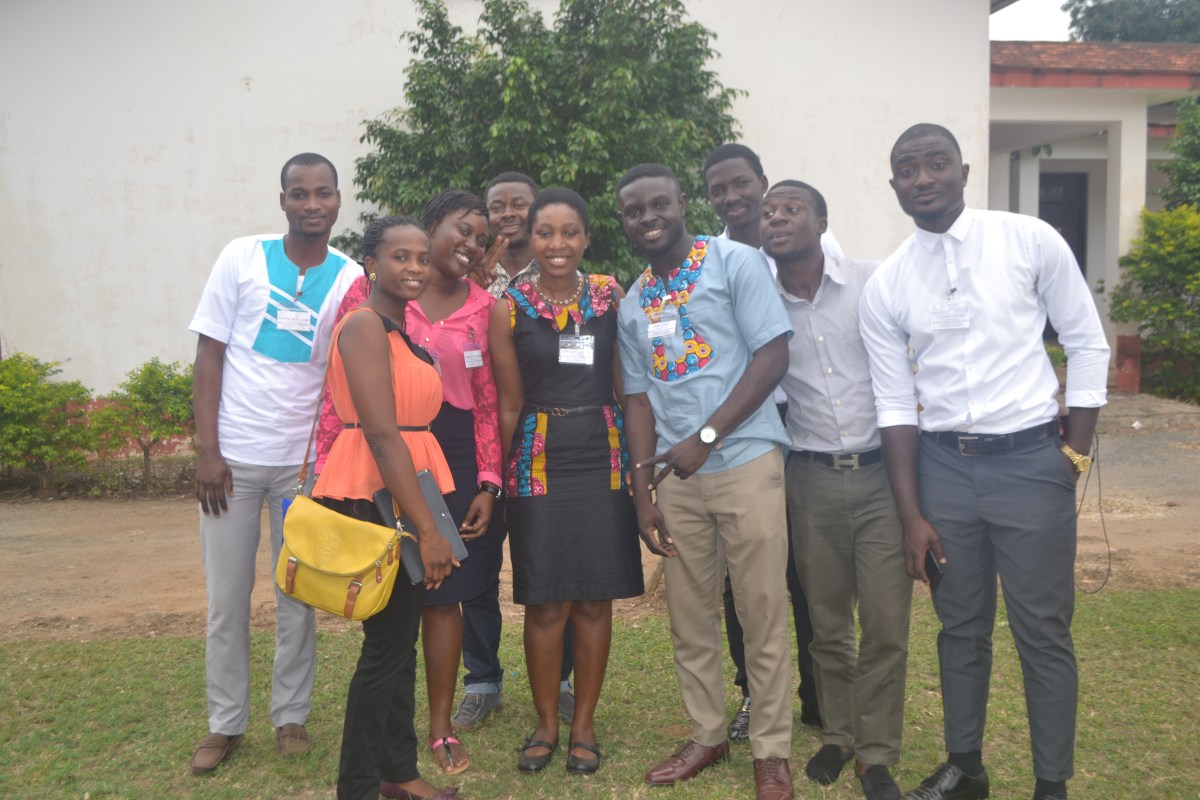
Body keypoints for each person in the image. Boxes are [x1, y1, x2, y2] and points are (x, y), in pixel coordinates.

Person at [858, 124, 1110, 800]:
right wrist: (911, 514)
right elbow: (895, 404)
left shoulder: (1028, 240)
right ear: (894, 185)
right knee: (960, 628)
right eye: (907, 169)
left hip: (1032, 462)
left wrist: (1074, 454)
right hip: (943, 471)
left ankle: (1051, 785)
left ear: (964, 171)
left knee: (1042, 631)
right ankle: (966, 768)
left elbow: (1087, 343)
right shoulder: (888, 283)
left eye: (936, 164)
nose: (923, 178)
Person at [615, 163, 795, 800]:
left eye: (658, 204)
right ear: (624, 222)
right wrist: (644, 492)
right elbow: (638, 401)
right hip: (677, 481)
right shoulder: (633, 303)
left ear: (682, 203)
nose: (648, 218)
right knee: (689, 616)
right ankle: (708, 734)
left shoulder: (734, 263)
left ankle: (771, 750)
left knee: (761, 611)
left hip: (745, 462)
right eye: (634, 211)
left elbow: (773, 354)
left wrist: (709, 436)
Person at [187, 153, 362, 775]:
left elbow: (346, 368)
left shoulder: (350, 277)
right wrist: (208, 451)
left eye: (323, 193)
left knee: (296, 595)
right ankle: (224, 723)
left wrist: (328, 464)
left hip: (302, 468)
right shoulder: (241, 257)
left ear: (338, 201)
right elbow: (209, 354)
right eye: (299, 193)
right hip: (231, 464)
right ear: (282, 199)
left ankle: (291, 715)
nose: (312, 204)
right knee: (226, 601)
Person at [762, 179, 911, 800]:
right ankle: (840, 734)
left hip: (881, 476)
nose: (777, 218)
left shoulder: (874, 282)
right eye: (769, 211)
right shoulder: (761, 301)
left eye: (792, 208)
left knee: (884, 622)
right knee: (826, 623)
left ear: (822, 223)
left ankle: (877, 753)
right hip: (810, 478)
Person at [488, 187, 643, 775]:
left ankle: (584, 726)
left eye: (569, 232)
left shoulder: (609, 295)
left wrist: (640, 470)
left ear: (586, 238)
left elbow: (627, 387)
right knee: (546, 600)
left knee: (595, 599)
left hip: (603, 457)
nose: (558, 244)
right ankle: (547, 723)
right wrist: (501, 482)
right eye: (545, 232)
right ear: (529, 238)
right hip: (537, 460)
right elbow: (509, 402)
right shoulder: (508, 306)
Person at [312, 215, 463, 800]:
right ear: (371, 264)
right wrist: (426, 529)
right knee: (386, 649)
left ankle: (397, 774)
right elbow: (380, 433)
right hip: (379, 494)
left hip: (406, 491)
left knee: (398, 644)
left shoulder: (400, 331)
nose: (415, 268)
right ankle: (357, 787)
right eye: (401, 257)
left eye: (423, 258)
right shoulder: (364, 326)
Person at [702, 143, 823, 738]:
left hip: (810, 434)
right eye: (719, 190)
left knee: (806, 575)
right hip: (744, 437)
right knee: (742, 583)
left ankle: (820, 694)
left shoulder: (803, 249)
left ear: (762, 182)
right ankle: (753, 692)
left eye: (741, 184)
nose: (733, 197)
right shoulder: (710, 262)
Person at [452, 172, 578, 731]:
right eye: (496, 206)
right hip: (482, 445)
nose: (507, 214)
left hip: (546, 445)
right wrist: (473, 286)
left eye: (518, 204)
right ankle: (482, 681)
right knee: (476, 569)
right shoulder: (468, 277)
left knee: (552, 568)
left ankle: (562, 680)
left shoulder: (561, 275)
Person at [407, 189, 504, 776]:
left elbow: (490, 402)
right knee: (392, 591)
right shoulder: (380, 290)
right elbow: (338, 383)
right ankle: (388, 720)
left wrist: (488, 483)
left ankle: (440, 727)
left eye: (479, 238)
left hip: (456, 453)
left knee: (444, 595)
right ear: (432, 225)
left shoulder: (485, 308)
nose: (470, 244)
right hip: (388, 448)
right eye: (461, 230)